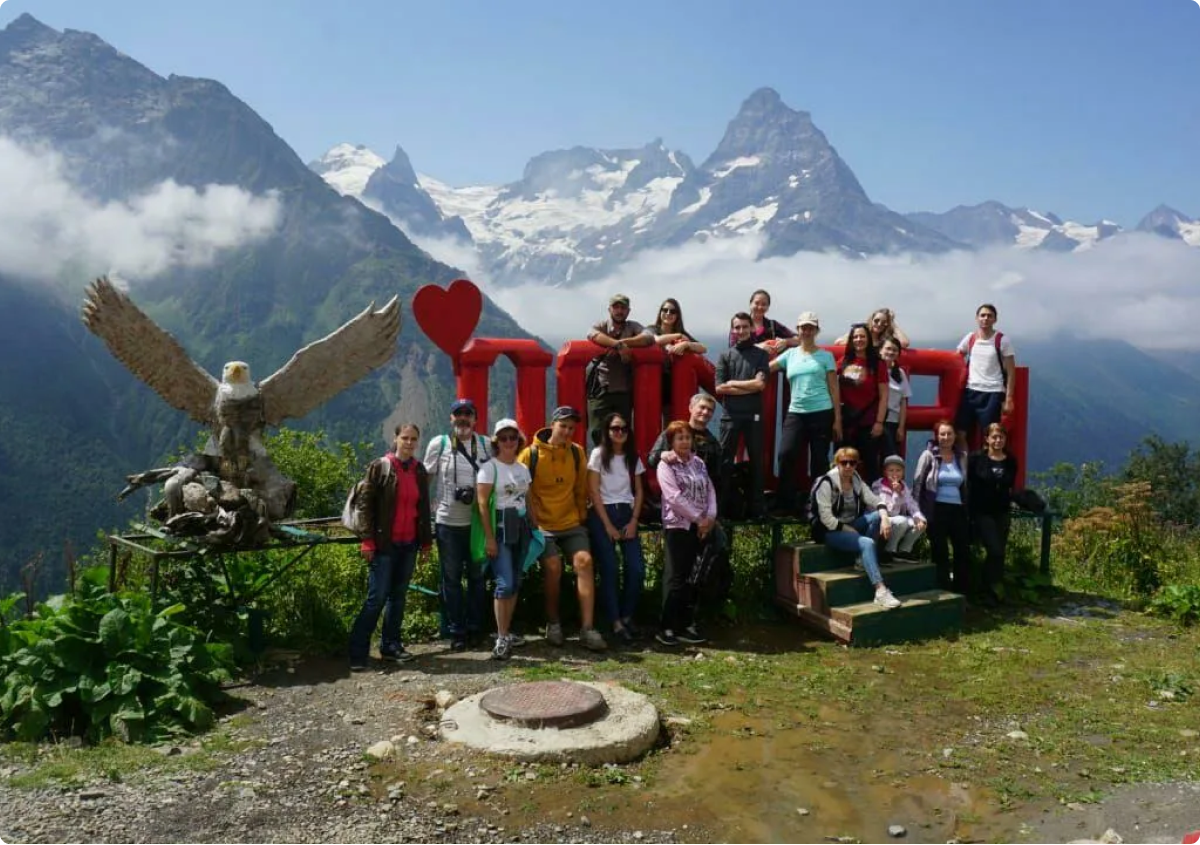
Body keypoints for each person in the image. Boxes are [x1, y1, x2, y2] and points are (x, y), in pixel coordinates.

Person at [519, 406, 608, 651]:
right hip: (542, 525)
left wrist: (581, 517)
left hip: (570, 522)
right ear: (553, 425)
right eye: (563, 426)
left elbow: (580, 489)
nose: (567, 431)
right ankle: (553, 622)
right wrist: (532, 522)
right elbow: (522, 491)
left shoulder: (577, 453)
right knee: (553, 565)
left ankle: (587, 628)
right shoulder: (530, 454)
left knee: (584, 562)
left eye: (571, 428)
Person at [348, 423, 433, 670]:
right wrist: (367, 540)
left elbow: (423, 508)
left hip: (409, 544)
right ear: (396, 439)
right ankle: (357, 651)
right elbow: (365, 505)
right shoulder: (381, 467)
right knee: (376, 598)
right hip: (384, 544)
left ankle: (391, 646)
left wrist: (426, 542)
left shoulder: (419, 470)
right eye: (405, 438)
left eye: (413, 439)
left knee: (398, 597)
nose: (409, 443)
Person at [423, 398, 492, 651]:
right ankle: (456, 631)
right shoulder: (439, 444)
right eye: (458, 414)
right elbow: (426, 480)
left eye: (468, 414)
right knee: (451, 579)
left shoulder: (486, 444)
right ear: (451, 418)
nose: (463, 418)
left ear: (475, 419)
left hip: (476, 524)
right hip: (447, 523)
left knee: (477, 578)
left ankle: (475, 628)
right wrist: (421, 514)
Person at [811, 447, 902, 609]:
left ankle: (861, 561)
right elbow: (826, 518)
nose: (848, 466)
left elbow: (875, 500)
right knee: (867, 543)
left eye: (852, 463)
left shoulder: (856, 479)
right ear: (836, 463)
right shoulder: (827, 483)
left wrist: (885, 517)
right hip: (830, 531)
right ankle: (880, 590)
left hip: (851, 525)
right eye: (844, 462)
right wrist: (846, 529)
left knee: (877, 516)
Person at [586, 412, 647, 646]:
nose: (619, 432)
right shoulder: (598, 454)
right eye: (614, 428)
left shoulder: (633, 457)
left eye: (623, 428)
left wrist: (634, 520)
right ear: (607, 431)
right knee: (610, 568)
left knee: (636, 568)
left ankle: (627, 615)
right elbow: (593, 491)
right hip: (603, 512)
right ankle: (615, 622)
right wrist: (608, 525)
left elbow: (639, 490)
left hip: (627, 512)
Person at [476, 418, 535, 660]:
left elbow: (528, 498)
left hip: (520, 527)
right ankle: (501, 637)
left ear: (518, 440)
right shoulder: (489, 468)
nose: (509, 442)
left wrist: (534, 524)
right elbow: (482, 504)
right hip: (500, 527)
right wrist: (489, 538)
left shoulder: (522, 469)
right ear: (496, 442)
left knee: (515, 581)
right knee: (505, 583)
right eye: (503, 438)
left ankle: (506, 631)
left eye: (513, 437)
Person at [655, 421, 718, 646]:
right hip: (678, 526)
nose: (684, 442)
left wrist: (710, 517)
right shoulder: (666, 465)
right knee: (677, 577)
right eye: (679, 438)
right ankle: (667, 627)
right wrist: (698, 519)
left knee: (695, 576)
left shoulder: (698, 462)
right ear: (671, 442)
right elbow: (673, 497)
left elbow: (709, 489)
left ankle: (686, 624)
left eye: (687, 438)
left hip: (701, 526)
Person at [771, 311, 840, 512]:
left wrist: (837, 420)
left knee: (819, 460)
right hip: (796, 412)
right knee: (785, 454)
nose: (807, 331)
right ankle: (786, 503)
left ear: (816, 331)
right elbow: (767, 368)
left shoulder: (826, 356)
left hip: (822, 411)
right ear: (798, 330)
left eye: (811, 328)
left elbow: (834, 388)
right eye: (803, 328)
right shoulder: (790, 355)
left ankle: (818, 504)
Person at [715, 312, 769, 518]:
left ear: (751, 328)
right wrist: (749, 386)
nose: (741, 330)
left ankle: (757, 510)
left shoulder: (761, 355)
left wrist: (733, 384)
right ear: (732, 330)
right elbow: (719, 388)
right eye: (737, 327)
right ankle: (721, 509)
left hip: (753, 415)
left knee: (756, 462)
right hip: (730, 416)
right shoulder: (725, 355)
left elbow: (760, 385)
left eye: (745, 326)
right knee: (725, 462)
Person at [586, 293, 656, 446]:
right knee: (598, 432)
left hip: (624, 391)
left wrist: (623, 343)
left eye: (623, 308)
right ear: (609, 310)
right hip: (601, 389)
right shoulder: (602, 325)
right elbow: (592, 334)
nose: (619, 311)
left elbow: (649, 337)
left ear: (628, 311)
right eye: (616, 307)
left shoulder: (633, 326)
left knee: (622, 433)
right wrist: (617, 345)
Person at [913, 420, 971, 595]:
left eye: (949, 434)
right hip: (936, 508)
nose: (946, 437)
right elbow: (918, 483)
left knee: (962, 550)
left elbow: (965, 484)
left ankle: (961, 593)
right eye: (942, 434)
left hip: (958, 509)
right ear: (937, 436)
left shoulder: (961, 457)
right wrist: (916, 511)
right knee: (940, 551)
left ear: (955, 436)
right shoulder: (928, 455)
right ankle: (943, 591)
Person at [968, 423, 1018, 606]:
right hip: (982, 511)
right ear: (987, 439)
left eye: (1001, 437)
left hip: (1002, 511)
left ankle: (994, 590)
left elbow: (1010, 485)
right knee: (994, 549)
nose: (998, 440)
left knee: (999, 553)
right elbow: (969, 484)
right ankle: (985, 587)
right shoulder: (976, 459)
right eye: (994, 437)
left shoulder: (1010, 460)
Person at [955, 303, 1016, 452]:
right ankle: (966, 463)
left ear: (995, 319)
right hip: (970, 391)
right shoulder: (970, 338)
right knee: (960, 433)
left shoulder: (1002, 340)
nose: (985, 318)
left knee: (990, 435)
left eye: (989, 316)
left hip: (993, 392)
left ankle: (986, 464)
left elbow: (1011, 371)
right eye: (982, 315)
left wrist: (1008, 398)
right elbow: (956, 356)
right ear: (977, 318)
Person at [836, 323, 889, 484]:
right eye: (855, 337)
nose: (859, 339)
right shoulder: (843, 361)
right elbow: (833, 388)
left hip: (869, 422)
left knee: (871, 464)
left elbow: (884, 395)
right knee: (844, 463)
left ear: (868, 339)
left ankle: (872, 497)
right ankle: (842, 496)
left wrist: (879, 422)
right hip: (847, 422)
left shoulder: (877, 364)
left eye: (862, 336)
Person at [649, 298, 707, 427]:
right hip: (653, 387)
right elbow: (656, 340)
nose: (668, 313)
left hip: (675, 390)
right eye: (665, 310)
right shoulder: (652, 329)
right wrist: (678, 337)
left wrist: (686, 344)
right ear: (660, 312)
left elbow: (703, 348)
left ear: (677, 315)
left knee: (672, 427)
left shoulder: (683, 334)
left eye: (672, 311)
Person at [872, 455, 927, 560]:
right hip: (881, 518)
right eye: (891, 470)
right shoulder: (878, 486)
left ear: (903, 472)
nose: (895, 474)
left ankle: (904, 550)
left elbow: (911, 504)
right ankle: (889, 550)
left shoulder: (903, 487)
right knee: (901, 521)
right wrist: (897, 494)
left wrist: (918, 517)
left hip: (896, 519)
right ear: (885, 472)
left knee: (922, 523)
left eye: (898, 470)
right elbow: (887, 508)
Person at [729, 289, 798, 357]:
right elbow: (733, 348)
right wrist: (758, 347)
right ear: (750, 304)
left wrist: (786, 342)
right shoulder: (739, 324)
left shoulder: (773, 325)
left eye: (764, 304)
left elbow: (799, 339)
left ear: (768, 307)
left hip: (769, 364)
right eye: (757, 303)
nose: (760, 307)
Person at [879, 337, 911, 461]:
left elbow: (903, 401)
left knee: (891, 459)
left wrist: (901, 427)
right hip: (873, 421)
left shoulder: (900, 373)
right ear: (880, 350)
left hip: (892, 422)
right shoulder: (873, 370)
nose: (891, 352)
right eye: (888, 348)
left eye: (894, 350)